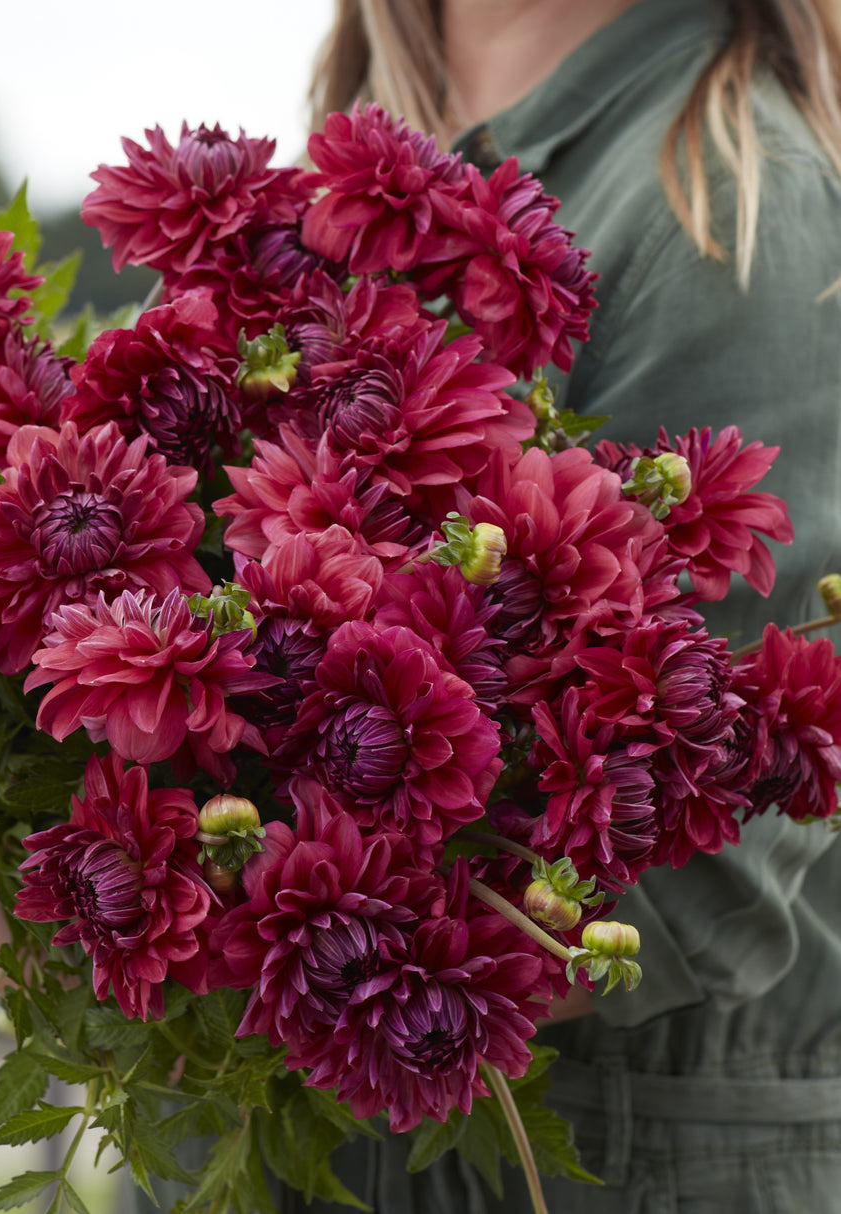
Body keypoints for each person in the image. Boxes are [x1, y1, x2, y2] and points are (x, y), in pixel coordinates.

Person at [296, 0, 841, 1210]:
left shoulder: (721, 202)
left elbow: (674, 879)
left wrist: (153, 931)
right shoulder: (352, 170)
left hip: (595, 1163)